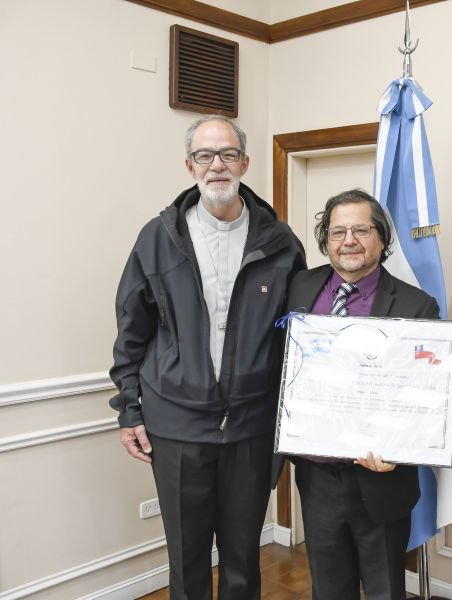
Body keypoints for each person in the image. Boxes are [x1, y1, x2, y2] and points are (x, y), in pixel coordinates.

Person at [109, 114, 306, 599]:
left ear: (244, 161)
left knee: (243, 557)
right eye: (204, 155)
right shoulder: (158, 238)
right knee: (188, 557)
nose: (216, 165)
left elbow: (299, 341)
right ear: (189, 164)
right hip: (175, 428)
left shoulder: (280, 243)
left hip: (252, 428)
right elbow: (131, 332)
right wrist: (129, 409)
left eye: (227, 154)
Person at [273, 189, 438, 600]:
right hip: (317, 475)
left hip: (381, 476)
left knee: (385, 589)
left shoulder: (417, 305)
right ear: (325, 239)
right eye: (338, 231)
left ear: (382, 239)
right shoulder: (298, 287)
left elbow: (426, 395)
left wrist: (399, 451)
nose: (349, 240)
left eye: (361, 230)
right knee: (329, 589)